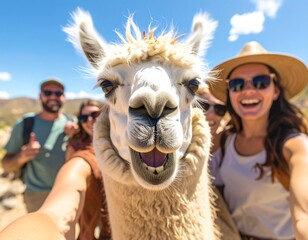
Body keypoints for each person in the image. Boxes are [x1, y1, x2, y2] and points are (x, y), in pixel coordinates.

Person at [208, 41, 308, 239]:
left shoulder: (295, 146)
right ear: (230, 93)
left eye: (261, 82)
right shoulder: (224, 141)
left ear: (276, 91)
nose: (248, 90)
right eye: (237, 85)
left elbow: (303, 217)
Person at [1, 78, 76, 212]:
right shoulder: (24, 124)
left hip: (68, 191)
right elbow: (6, 165)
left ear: (64, 97)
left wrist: (76, 135)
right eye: (47, 93)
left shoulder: (72, 122)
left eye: (58, 93)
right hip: (37, 195)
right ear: (40, 96)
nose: (53, 96)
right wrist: (23, 156)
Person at [65, 99, 111, 240]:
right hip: (87, 204)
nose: (90, 121)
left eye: (95, 115)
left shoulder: (117, 141)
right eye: (84, 118)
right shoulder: (74, 144)